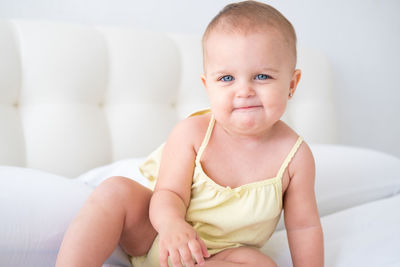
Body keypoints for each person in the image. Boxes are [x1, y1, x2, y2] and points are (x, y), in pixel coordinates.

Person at [56, 1, 324, 267]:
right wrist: (172, 226)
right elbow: (168, 193)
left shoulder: (295, 157)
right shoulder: (193, 134)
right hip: (158, 236)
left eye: (262, 76)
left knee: (262, 265)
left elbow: (303, 227)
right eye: (227, 78)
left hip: (223, 254)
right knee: (115, 191)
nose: (244, 91)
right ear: (208, 86)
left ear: (292, 83)